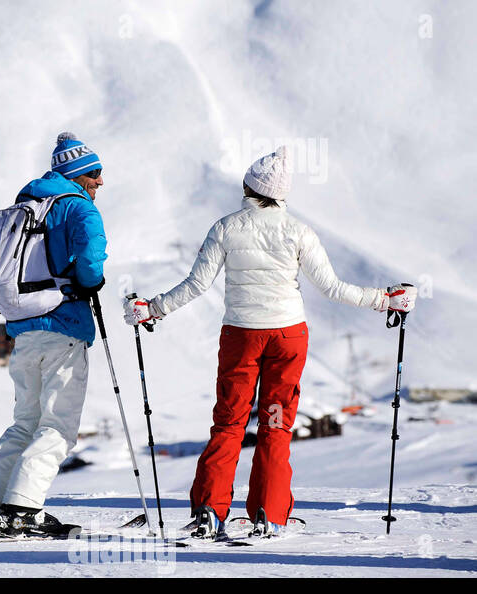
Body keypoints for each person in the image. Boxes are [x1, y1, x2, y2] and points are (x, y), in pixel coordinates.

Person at [123, 146, 418, 539]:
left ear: (248, 186)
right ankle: (271, 513)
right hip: (287, 337)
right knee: (275, 424)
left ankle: (210, 511)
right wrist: (385, 300)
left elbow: (196, 285)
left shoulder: (226, 227)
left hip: (241, 337)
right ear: (282, 193)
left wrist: (153, 309)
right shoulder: (299, 231)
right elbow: (331, 288)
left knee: (229, 423)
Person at [0, 131, 108, 538]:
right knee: (57, 425)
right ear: (76, 174)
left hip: (23, 330)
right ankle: (22, 510)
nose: (100, 181)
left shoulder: (20, 210)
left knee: (24, 422)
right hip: (65, 324)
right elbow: (92, 257)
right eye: (94, 173)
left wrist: (17, 285)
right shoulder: (79, 209)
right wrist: (87, 283)